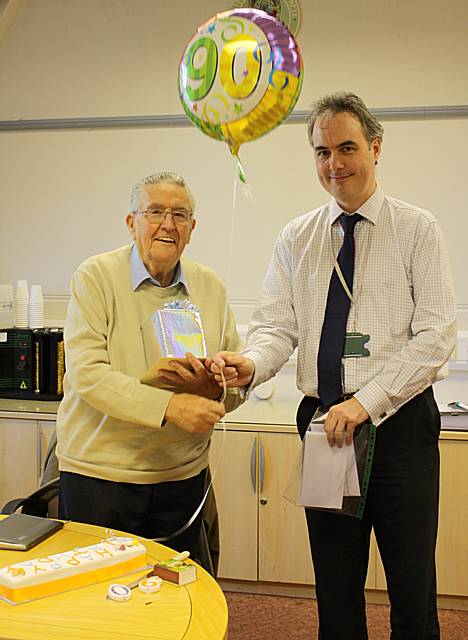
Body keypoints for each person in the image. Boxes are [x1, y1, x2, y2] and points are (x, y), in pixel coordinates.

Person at [209, 93, 457, 638]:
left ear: (375, 147)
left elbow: (437, 335)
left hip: (399, 431)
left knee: (412, 589)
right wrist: (248, 365)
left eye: (346, 148)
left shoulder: (417, 229)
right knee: (335, 588)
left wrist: (364, 403)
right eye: (322, 152)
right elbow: (277, 328)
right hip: (325, 429)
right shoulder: (296, 238)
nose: (334, 164)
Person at [56, 171, 242, 558]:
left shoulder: (212, 288)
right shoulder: (95, 278)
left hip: (182, 475)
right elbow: (87, 374)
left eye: (180, 215)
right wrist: (172, 406)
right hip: (101, 474)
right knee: (97, 596)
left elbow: (234, 378)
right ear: (131, 222)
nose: (167, 225)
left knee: (174, 598)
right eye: (155, 212)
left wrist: (217, 388)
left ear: (192, 228)